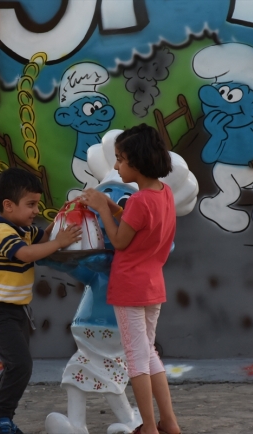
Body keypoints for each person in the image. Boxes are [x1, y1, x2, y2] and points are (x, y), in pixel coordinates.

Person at [81, 124, 181, 434]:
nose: (115, 166)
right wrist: (113, 206)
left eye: (121, 159)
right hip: (153, 285)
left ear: (136, 162)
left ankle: (148, 427)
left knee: (136, 359)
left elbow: (120, 240)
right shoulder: (163, 195)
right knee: (149, 353)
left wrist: (101, 208)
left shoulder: (138, 201)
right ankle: (170, 423)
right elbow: (139, 226)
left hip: (129, 288)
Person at [0, 167, 82, 434]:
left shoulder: (22, 228)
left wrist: (61, 220)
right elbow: (26, 254)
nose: (36, 210)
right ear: (8, 205)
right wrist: (59, 243)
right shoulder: (0, 232)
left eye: (38, 204)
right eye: (31, 205)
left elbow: (43, 239)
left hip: (17, 311)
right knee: (20, 365)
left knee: (17, 366)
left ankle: (0, 418)